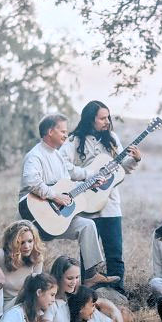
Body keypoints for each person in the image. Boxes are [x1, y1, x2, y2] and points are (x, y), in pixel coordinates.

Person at [19, 113, 117, 288]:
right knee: (31, 265)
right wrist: (55, 196)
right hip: (36, 218)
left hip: (56, 218)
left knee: (87, 225)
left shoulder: (57, 156)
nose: (66, 134)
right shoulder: (35, 155)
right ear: (50, 131)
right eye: (62, 131)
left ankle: (90, 275)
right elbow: (31, 181)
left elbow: (69, 184)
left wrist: (91, 181)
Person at [61, 101, 142, 293]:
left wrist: (135, 159)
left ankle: (118, 293)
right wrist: (87, 174)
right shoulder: (74, 140)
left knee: (114, 252)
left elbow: (121, 170)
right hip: (86, 204)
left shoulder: (112, 138)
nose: (107, 121)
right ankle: (86, 294)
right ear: (91, 119)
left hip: (111, 204)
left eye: (108, 117)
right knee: (88, 254)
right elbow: (62, 165)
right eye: (102, 118)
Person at [0, 220, 45, 312]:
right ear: (12, 243)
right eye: (21, 242)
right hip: (2, 306)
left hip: (25, 304)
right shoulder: (0, 256)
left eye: (30, 241)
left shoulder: (36, 257)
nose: (27, 246)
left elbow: (36, 288)